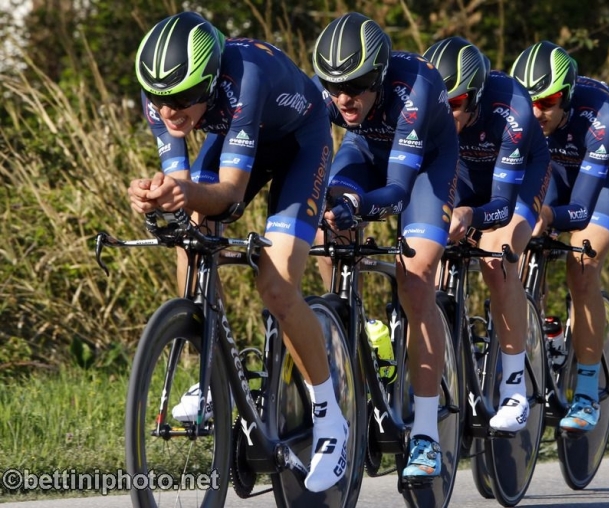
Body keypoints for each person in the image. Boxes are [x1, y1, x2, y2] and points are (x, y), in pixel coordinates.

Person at [127, 11, 348, 492]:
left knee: (275, 286)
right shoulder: (163, 96)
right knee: (190, 229)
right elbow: (181, 182)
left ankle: (332, 419)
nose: (168, 111)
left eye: (183, 99)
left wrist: (181, 194)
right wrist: (154, 191)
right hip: (237, 137)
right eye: (159, 99)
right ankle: (208, 380)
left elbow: (228, 193)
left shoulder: (243, 78)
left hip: (299, 144)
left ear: (208, 83)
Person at [312, 12, 459, 483]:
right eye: (333, 87)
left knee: (415, 282)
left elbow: (395, 192)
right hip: (365, 152)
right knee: (322, 230)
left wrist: (357, 203)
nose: (342, 98)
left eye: (354, 86)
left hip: (424, 171)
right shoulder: (334, 97)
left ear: (377, 75)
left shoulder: (413, 87)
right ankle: (348, 319)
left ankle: (424, 433)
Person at [510, 41, 609, 434]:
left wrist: (548, 215)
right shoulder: (520, 115)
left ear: (566, 94)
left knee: (581, 263)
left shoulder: (601, 115)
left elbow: (581, 209)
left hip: (606, 179)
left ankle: (586, 390)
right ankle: (541, 335)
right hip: (555, 169)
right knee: (513, 251)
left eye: (548, 101)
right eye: (530, 101)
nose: (537, 112)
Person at [422, 37, 551, 433]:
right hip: (461, 178)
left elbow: (502, 206)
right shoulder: (426, 111)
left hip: (515, 182)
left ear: (475, 97)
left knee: (496, 256)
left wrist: (470, 215)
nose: (446, 113)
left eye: (457, 104)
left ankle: (514, 387)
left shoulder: (512, 111)